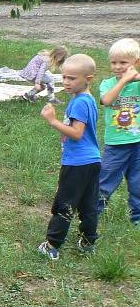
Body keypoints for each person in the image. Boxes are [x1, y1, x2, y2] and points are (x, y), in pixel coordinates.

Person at [37, 54, 101, 261]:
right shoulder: (88, 99)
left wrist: (52, 121)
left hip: (77, 163)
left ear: (88, 79)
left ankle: (52, 245)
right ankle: (88, 241)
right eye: (64, 77)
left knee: (64, 203)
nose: (66, 82)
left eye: (72, 78)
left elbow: (77, 133)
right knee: (88, 203)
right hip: (92, 161)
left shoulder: (80, 103)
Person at [97, 38, 140, 225]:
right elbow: (107, 101)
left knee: (138, 183)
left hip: (138, 143)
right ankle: (94, 212)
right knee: (105, 181)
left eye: (123, 63)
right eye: (114, 62)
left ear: (136, 63)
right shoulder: (108, 84)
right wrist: (123, 80)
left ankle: (137, 217)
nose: (117, 66)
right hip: (116, 145)